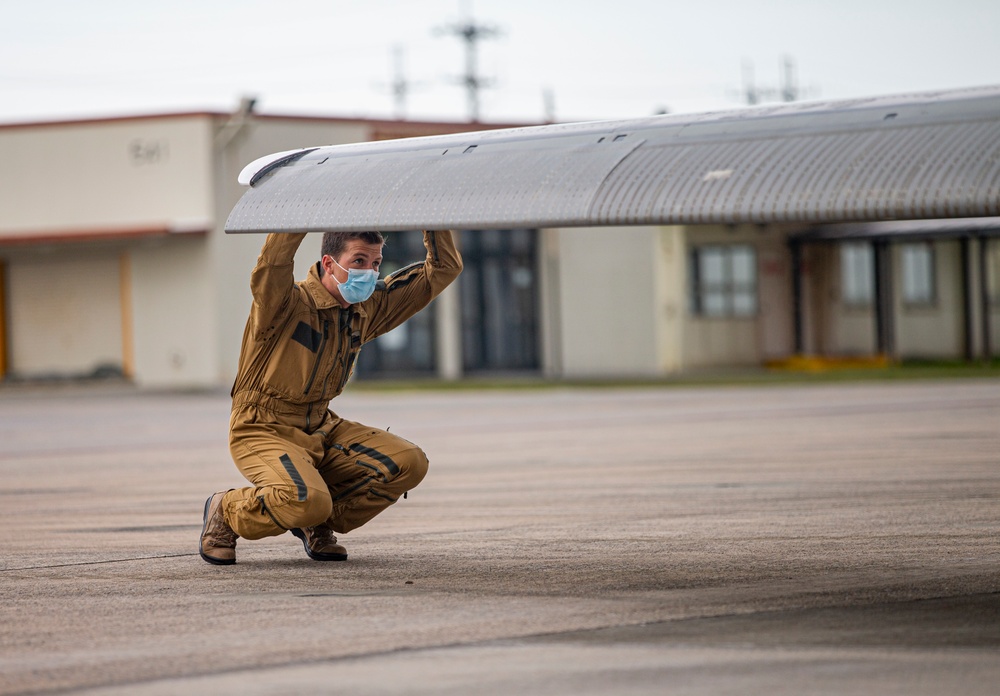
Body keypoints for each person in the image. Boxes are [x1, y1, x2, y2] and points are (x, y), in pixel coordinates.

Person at [199, 229, 462, 564]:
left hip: (321, 426)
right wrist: (298, 210)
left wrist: (432, 215)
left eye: (376, 263)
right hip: (262, 426)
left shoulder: (364, 308)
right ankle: (227, 511)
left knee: (408, 462)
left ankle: (316, 520)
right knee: (305, 498)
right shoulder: (283, 304)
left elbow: (441, 270)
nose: (369, 272)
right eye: (359, 261)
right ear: (329, 263)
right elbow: (273, 265)